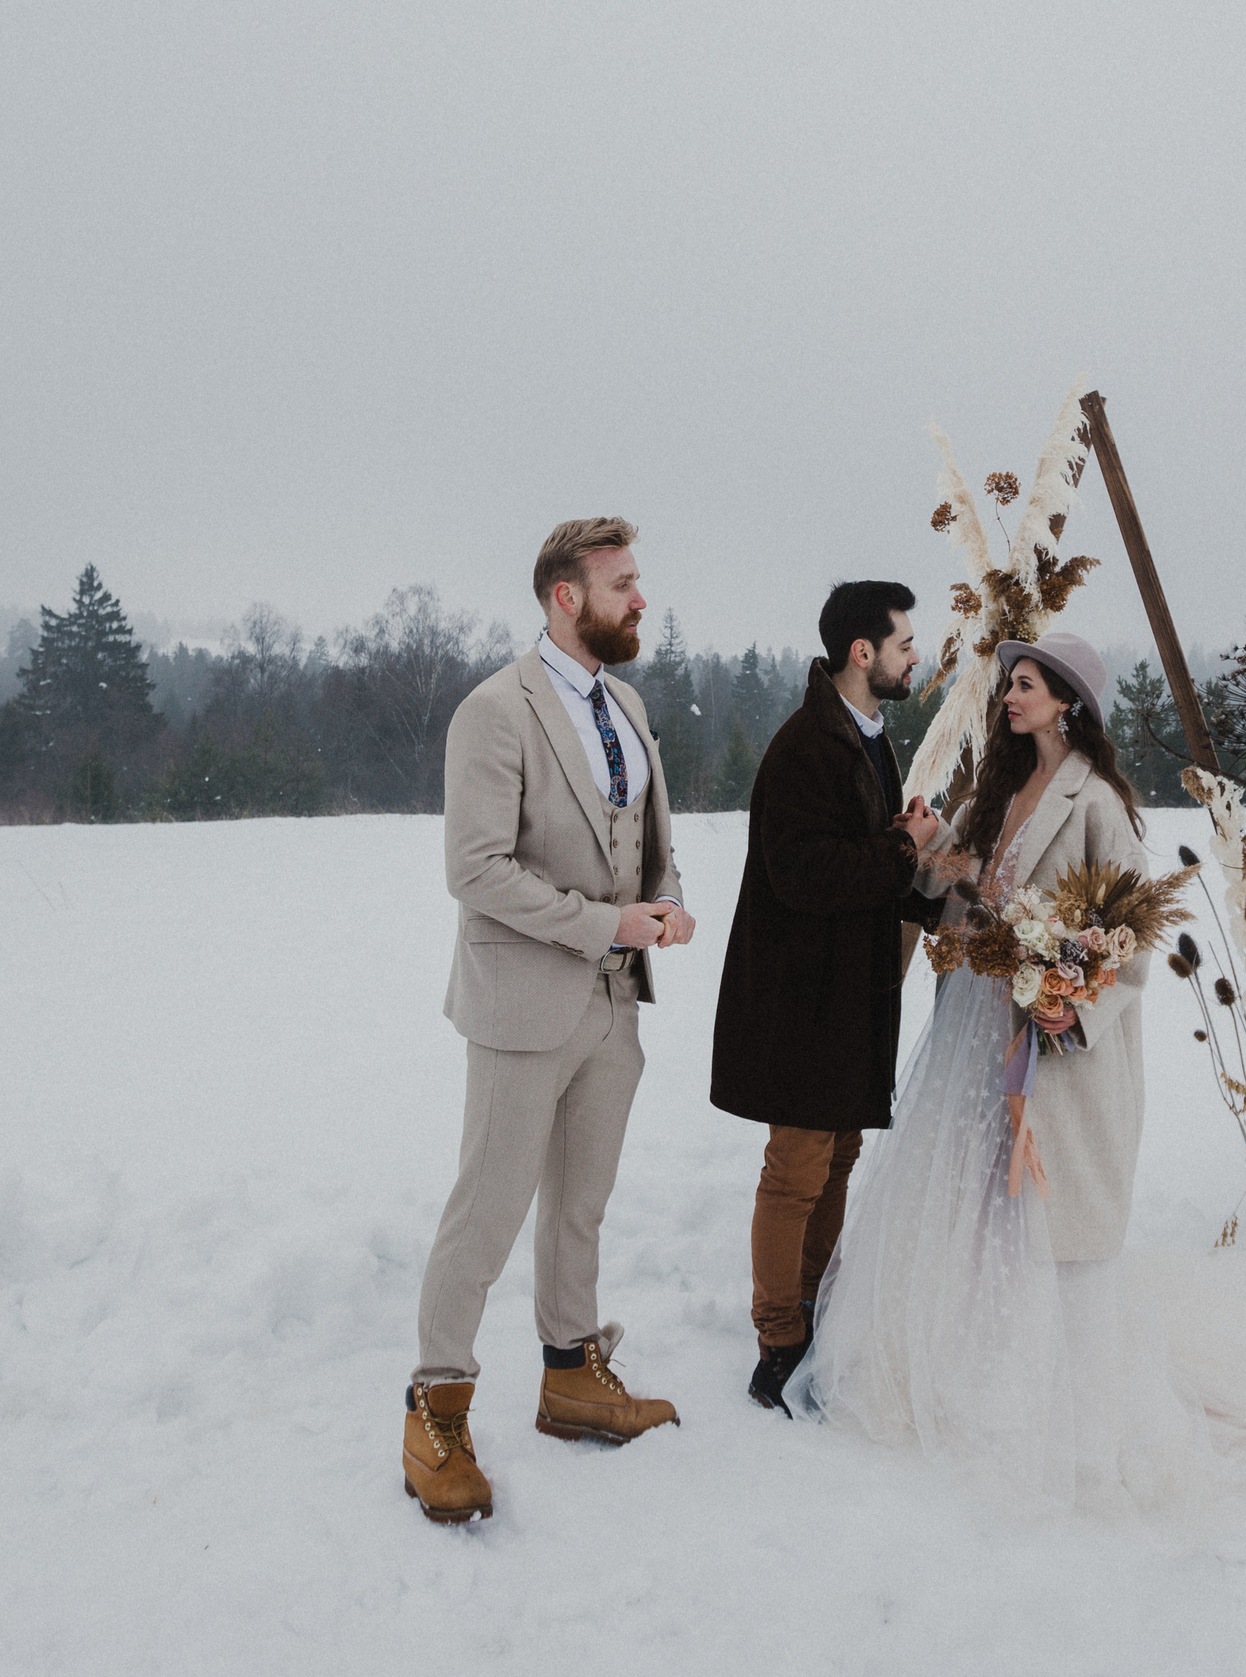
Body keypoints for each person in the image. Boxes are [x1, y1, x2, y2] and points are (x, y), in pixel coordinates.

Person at [791, 631, 1192, 1510]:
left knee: (1041, 1218)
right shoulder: (1000, 785)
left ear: (1068, 701)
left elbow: (1130, 945)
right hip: (977, 1017)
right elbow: (963, 894)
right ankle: (950, 1366)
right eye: (1009, 683)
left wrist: (1073, 1003)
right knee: (966, 1199)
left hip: (1052, 1041)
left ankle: (1052, 1406)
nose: (1010, 697)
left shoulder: (1101, 804)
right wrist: (932, 846)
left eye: (1026, 684)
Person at [401, 516, 696, 1526]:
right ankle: (434, 1407)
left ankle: (570, 1377)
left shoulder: (629, 703)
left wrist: (663, 900)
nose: (640, 598)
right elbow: (474, 871)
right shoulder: (494, 711)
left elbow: (646, 835)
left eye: (637, 580)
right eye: (622, 583)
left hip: (615, 1007)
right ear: (564, 597)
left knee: (580, 1204)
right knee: (487, 1211)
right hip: (523, 1005)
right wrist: (603, 922)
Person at [709, 582, 946, 1417]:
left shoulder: (868, 736)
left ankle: (811, 1310)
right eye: (905, 641)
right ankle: (778, 1343)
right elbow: (805, 875)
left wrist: (912, 867)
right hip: (800, 1000)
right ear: (862, 653)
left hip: (849, 997)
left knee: (836, 1159)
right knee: (796, 1169)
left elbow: (866, 864)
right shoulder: (809, 745)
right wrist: (901, 846)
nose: (915, 653)